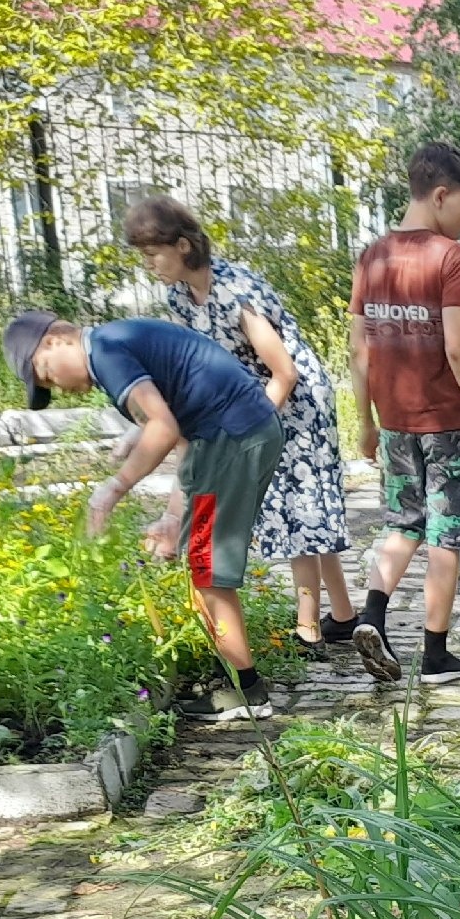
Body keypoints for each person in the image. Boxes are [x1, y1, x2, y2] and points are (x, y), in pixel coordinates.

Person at [5, 309, 284, 722]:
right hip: (234, 435)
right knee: (201, 564)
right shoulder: (116, 344)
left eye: (46, 374)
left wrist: (112, 489)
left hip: (232, 438)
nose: (56, 387)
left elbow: (164, 428)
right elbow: (186, 435)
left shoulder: (106, 352)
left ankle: (247, 694)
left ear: (54, 341)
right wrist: (173, 517)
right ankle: (233, 676)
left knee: (206, 569)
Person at [123, 196, 359, 654]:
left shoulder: (237, 292)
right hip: (245, 401)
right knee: (302, 512)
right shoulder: (178, 297)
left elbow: (284, 372)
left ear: (185, 246)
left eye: (154, 254)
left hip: (294, 401)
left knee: (297, 511)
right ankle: (345, 615)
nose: (149, 265)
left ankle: (307, 630)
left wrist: (245, 428)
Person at [347, 142, 460, 689]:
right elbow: (458, 348)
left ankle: (372, 617)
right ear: (440, 196)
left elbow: (359, 350)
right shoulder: (451, 257)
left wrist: (366, 421)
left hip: (394, 422)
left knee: (401, 525)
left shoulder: (373, 257)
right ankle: (435, 656)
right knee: (446, 538)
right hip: (449, 425)